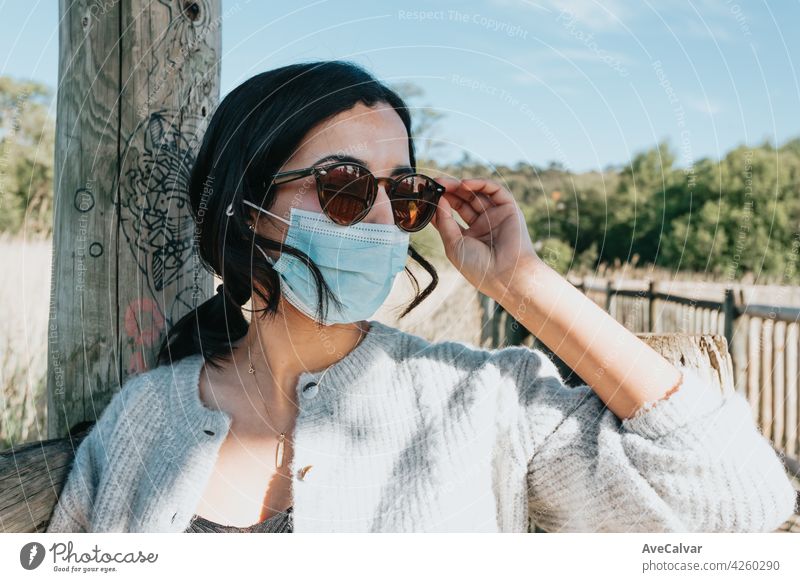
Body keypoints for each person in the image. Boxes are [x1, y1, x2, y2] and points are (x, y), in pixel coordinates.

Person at [46, 60, 797, 533]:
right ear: (248, 212)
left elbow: (734, 496)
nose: (380, 218)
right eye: (342, 185)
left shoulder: (483, 403)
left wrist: (522, 284)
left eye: (402, 193)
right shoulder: (143, 420)